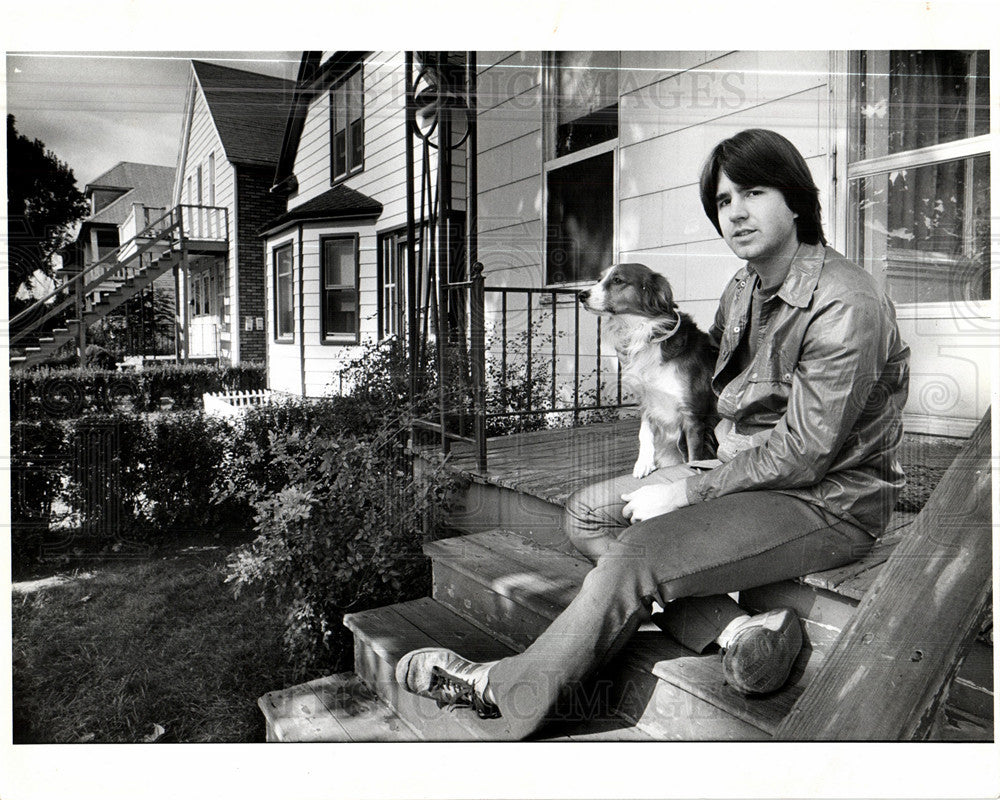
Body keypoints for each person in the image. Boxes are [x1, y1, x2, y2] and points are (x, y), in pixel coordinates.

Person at [395, 128, 910, 740]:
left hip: (828, 500)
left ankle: (501, 692)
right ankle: (737, 632)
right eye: (723, 201)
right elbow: (717, 388)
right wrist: (656, 362)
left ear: (796, 199)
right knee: (588, 515)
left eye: (754, 191)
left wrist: (689, 492)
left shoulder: (846, 301)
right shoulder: (746, 286)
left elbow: (805, 451)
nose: (737, 212)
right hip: (745, 470)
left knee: (636, 555)